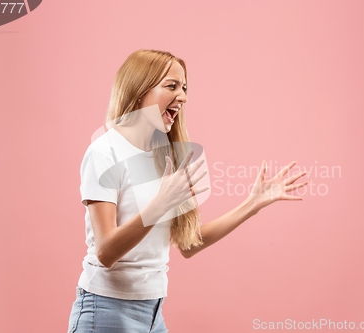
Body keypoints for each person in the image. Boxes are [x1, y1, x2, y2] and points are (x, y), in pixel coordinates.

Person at [67, 49, 309, 333]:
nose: (182, 96)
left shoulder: (164, 156)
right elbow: (106, 252)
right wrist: (160, 203)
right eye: (171, 86)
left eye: (184, 88)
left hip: (153, 313)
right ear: (139, 90)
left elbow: (188, 244)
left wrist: (252, 205)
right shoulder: (104, 152)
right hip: (106, 310)